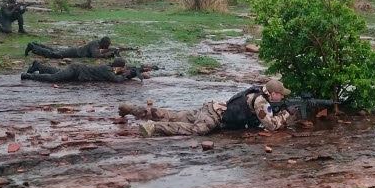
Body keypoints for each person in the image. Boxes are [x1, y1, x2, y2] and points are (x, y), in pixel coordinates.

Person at [124, 80, 297, 137]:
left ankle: (136, 110)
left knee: (175, 115)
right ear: (273, 94)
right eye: (280, 94)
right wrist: (286, 113)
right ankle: (154, 127)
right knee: (191, 130)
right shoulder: (261, 102)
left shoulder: (258, 91)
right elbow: (271, 125)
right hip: (214, 118)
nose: (282, 96)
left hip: (212, 107)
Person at [20, 58, 147, 83]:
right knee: (55, 78)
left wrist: (133, 72)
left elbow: (118, 74)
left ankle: (39, 66)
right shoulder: (107, 70)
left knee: (57, 72)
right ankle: (30, 77)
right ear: (119, 67)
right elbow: (116, 79)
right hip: (76, 70)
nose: (125, 69)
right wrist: (126, 75)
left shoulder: (111, 69)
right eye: (123, 67)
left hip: (77, 74)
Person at [24, 36, 120, 58]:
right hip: (74, 53)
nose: (107, 46)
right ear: (104, 43)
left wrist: (110, 51)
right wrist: (107, 54)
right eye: (107, 45)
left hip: (74, 51)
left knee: (55, 50)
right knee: (53, 54)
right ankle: (33, 48)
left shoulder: (98, 44)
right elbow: (95, 56)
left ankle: (36, 44)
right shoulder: (94, 44)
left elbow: (99, 51)